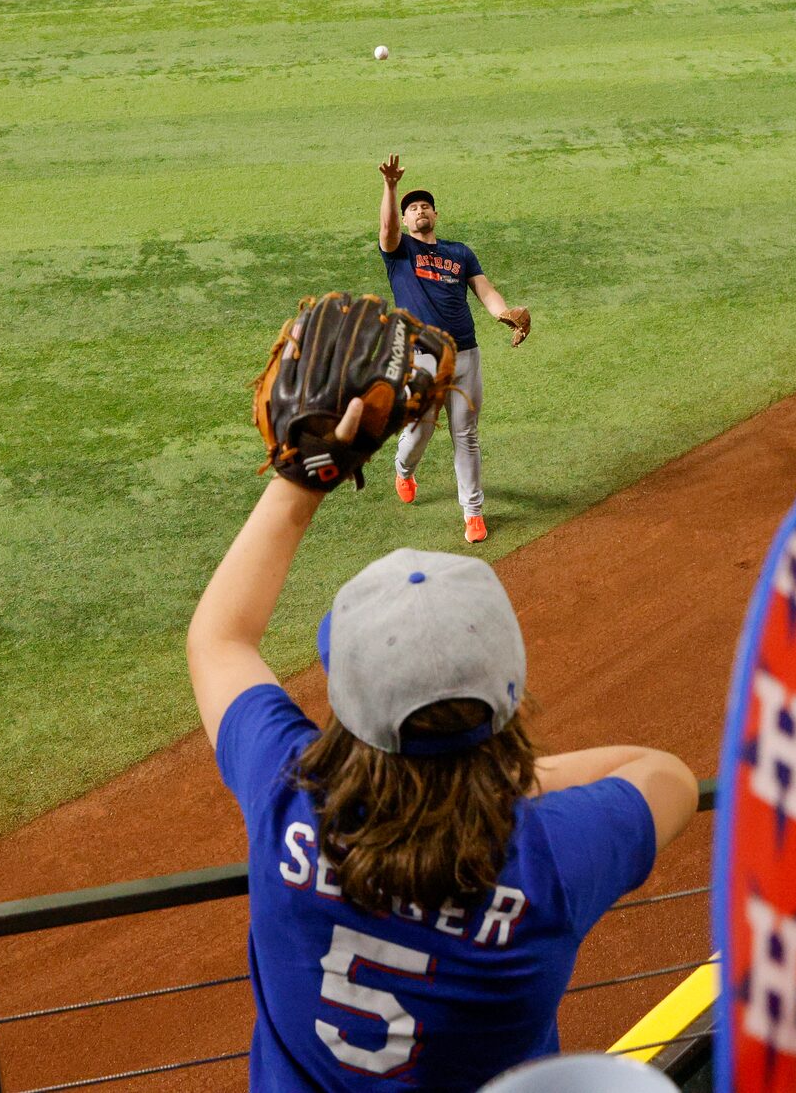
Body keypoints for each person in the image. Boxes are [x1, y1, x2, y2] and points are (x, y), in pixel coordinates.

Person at [186, 476, 698, 1092]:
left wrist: (299, 484)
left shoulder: (287, 786)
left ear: (347, 700)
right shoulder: (550, 859)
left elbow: (219, 639)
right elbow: (666, 777)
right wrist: (506, 786)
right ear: (506, 695)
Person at [377, 155, 531, 543]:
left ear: (435, 214)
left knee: (466, 434)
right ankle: (404, 469)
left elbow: (485, 289)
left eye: (424, 206)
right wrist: (391, 187)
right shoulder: (399, 253)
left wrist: (504, 313)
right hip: (422, 357)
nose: (419, 211)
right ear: (406, 220)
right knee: (421, 431)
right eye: (412, 209)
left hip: (466, 355)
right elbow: (386, 228)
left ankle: (473, 513)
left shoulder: (459, 253)